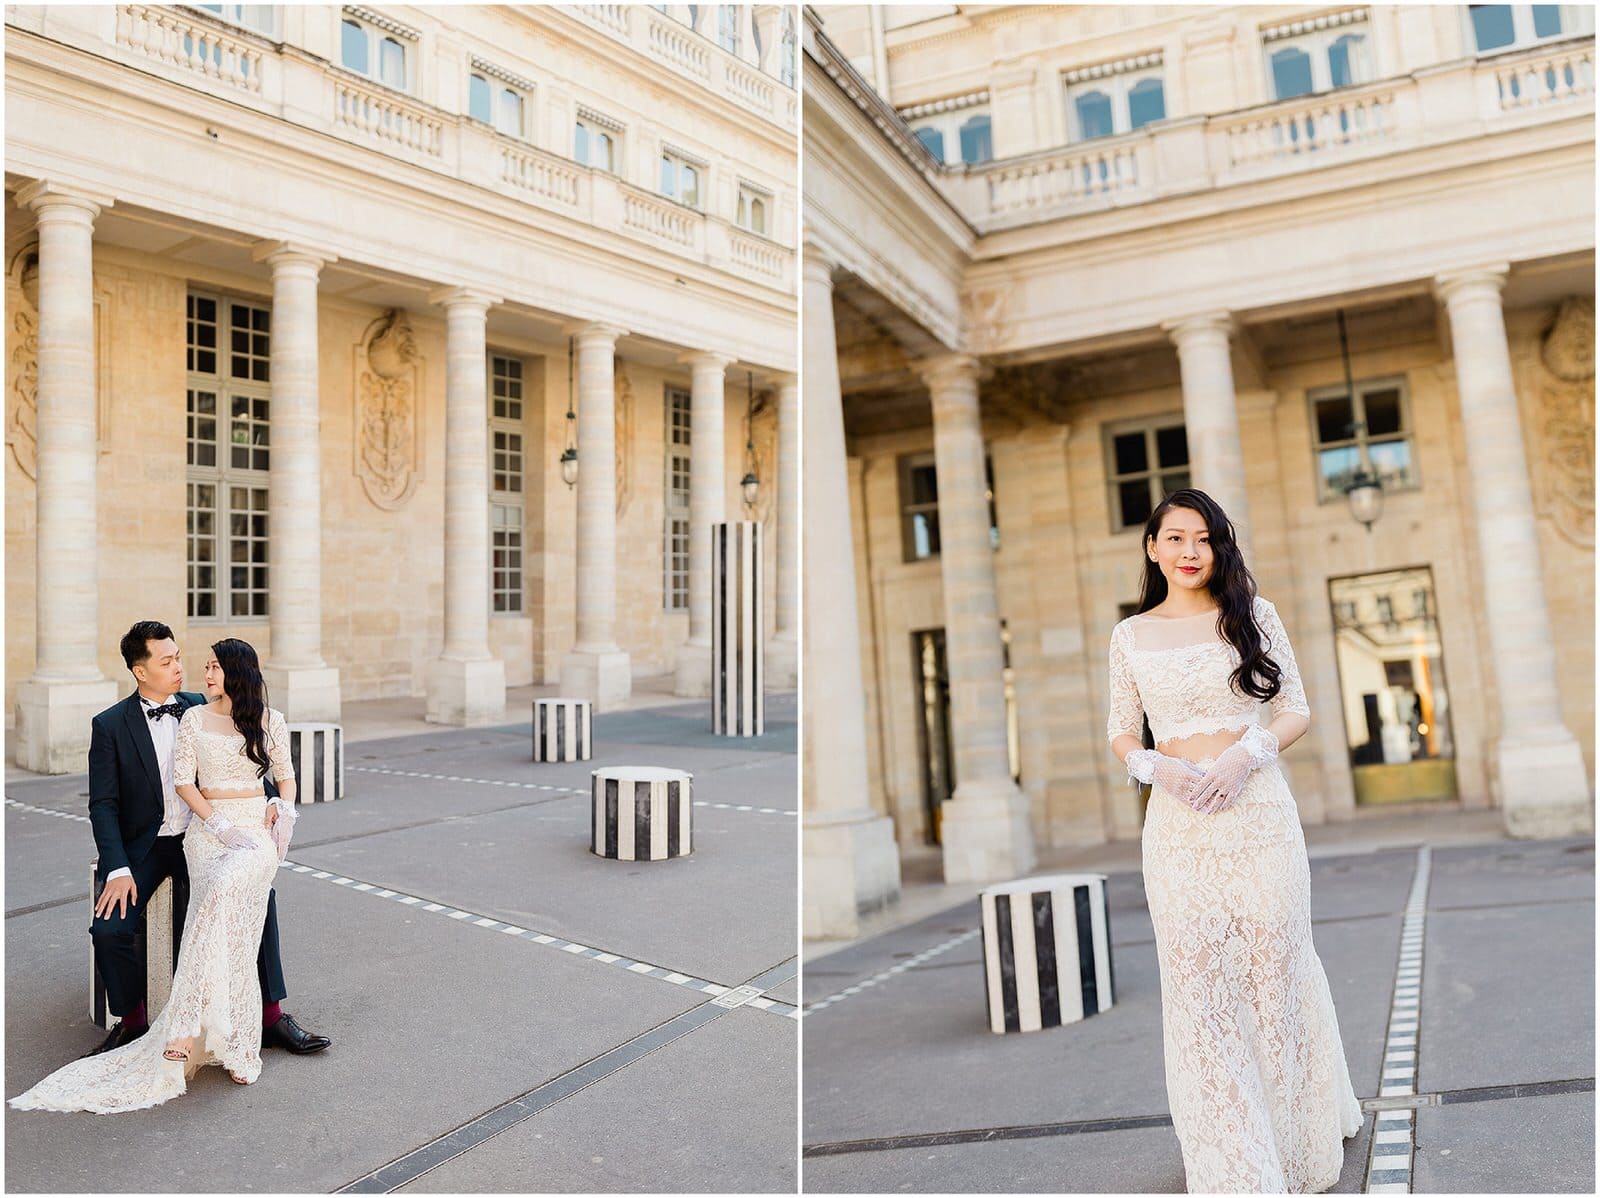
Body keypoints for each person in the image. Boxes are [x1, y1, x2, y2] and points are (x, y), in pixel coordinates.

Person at [1106, 489, 1361, 1193]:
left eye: (1204, 539)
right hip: (1179, 826)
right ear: (1152, 547)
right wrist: (1152, 765)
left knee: (1274, 972)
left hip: (1257, 815)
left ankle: (1295, 1141)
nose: (1191, 553)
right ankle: (1235, 1159)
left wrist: (1245, 756)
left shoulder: (1253, 616)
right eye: (1176, 539)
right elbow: (1120, 727)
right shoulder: (1130, 636)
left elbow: (1295, 710)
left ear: (1219, 548)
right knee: (1199, 991)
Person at [11, 629, 328, 1113]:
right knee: (109, 929)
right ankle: (134, 1021)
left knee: (257, 896)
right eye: (167, 661)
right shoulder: (111, 725)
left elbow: (253, 754)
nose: (180, 667)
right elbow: (103, 805)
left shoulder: (205, 702)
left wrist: (272, 808)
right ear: (141, 671)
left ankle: (270, 1015)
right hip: (150, 846)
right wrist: (117, 867)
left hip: (207, 836)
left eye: (181, 657)